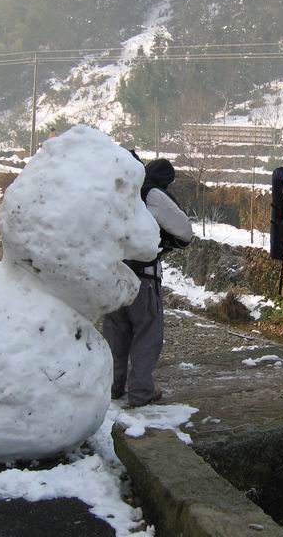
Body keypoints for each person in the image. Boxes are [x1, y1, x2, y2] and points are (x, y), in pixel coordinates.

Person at [103, 158, 193, 406]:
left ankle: (112, 387)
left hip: (113, 274)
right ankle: (141, 393)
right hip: (143, 277)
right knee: (147, 334)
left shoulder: (112, 192)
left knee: (115, 335)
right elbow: (184, 231)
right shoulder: (152, 193)